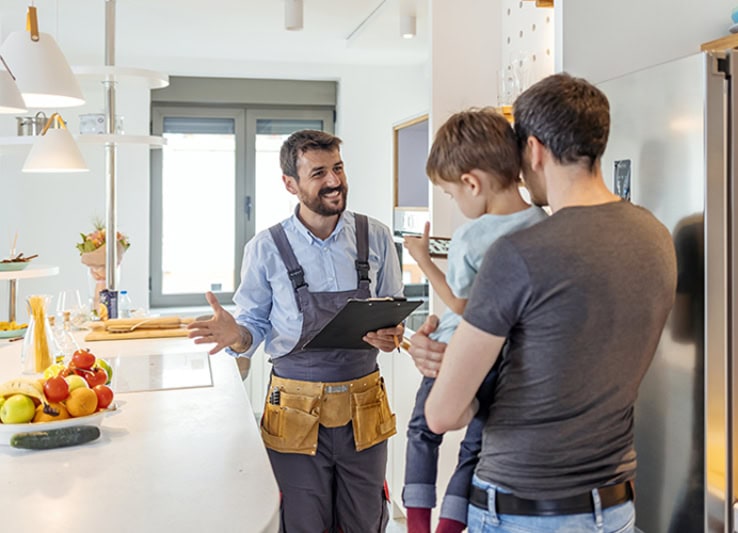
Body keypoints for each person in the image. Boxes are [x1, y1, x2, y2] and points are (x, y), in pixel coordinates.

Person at [408, 73, 678, 532]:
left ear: (533, 150)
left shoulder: (517, 255)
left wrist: (452, 373)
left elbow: (442, 413)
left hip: (522, 510)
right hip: (614, 508)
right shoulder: (655, 236)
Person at [187, 129, 405, 533]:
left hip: (365, 408)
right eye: (319, 172)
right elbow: (252, 326)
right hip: (294, 411)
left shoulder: (375, 236)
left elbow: (391, 311)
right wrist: (236, 334)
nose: (334, 181)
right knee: (302, 522)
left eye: (337, 168)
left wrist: (391, 334)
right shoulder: (266, 248)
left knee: (365, 521)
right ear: (290, 183)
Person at [401, 109, 547, 533]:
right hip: (508, 362)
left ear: (471, 183)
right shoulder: (543, 222)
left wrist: (424, 262)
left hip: (456, 352)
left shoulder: (471, 234)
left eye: (450, 194)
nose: (455, 203)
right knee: (475, 447)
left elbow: (463, 306)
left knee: (423, 429)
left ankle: (416, 526)